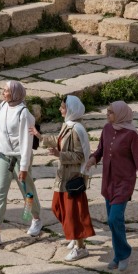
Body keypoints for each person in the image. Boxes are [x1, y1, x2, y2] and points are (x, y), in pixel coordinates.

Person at [91, 99, 138, 272]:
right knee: (112, 223)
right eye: (107, 111)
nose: (107, 114)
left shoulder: (131, 135)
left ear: (120, 113)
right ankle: (118, 255)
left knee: (114, 218)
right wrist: (92, 159)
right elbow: (100, 150)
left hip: (124, 183)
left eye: (110, 112)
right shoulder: (106, 129)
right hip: (108, 183)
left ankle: (124, 253)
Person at [0, 79, 42, 245]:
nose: (3, 92)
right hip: (3, 156)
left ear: (15, 93)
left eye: (6, 90)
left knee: (27, 192)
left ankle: (35, 218)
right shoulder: (2, 106)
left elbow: (26, 142)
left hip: (20, 158)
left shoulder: (24, 114)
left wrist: (23, 167)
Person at [50, 94, 95, 261]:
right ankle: (74, 236)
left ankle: (80, 246)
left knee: (72, 213)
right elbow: (58, 141)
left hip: (72, 177)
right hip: (63, 176)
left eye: (63, 107)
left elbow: (79, 156)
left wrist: (59, 155)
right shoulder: (67, 125)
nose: (60, 110)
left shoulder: (77, 129)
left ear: (71, 109)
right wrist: (39, 137)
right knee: (57, 207)